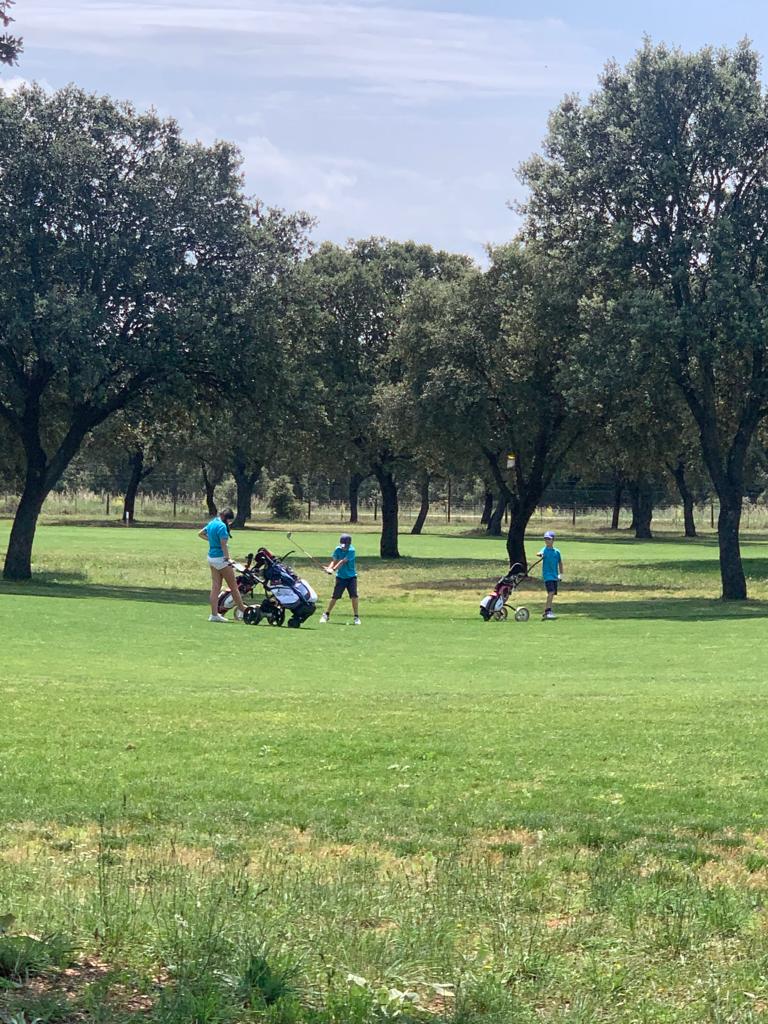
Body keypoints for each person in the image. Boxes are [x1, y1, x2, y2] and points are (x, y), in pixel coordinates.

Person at [198, 508, 247, 623]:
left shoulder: (212, 523)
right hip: (221, 559)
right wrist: (228, 559)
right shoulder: (222, 527)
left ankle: (214, 614)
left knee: (215, 587)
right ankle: (243, 610)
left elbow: (200, 534)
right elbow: (223, 545)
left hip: (211, 557)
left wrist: (211, 541)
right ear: (227, 519)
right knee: (234, 587)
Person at [319, 533, 361, 625]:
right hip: (341, 577)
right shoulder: (337, 549)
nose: (343, 547)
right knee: (335, 597)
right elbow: (334, 561)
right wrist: (329, 568)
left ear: (349, 544)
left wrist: (333, 570)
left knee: (354, 596)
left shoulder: (351, 550)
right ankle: (326, 615)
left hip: (351, 577)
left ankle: (356, 617)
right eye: (342, 545)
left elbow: (342, 562)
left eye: (345, 545)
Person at [539, 530, 563, 620]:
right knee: (551, 592)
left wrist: (561, 574)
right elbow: (540, 553)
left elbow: (560, 563)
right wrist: (541, 554)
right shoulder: (544, 549)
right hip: (547, 575)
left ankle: (548, 610)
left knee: (552, 594)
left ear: (553, 540)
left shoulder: (557, 552)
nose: (547, 541)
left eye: (548, 539)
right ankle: (547, 611)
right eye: (545, 539)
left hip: (554, 576)